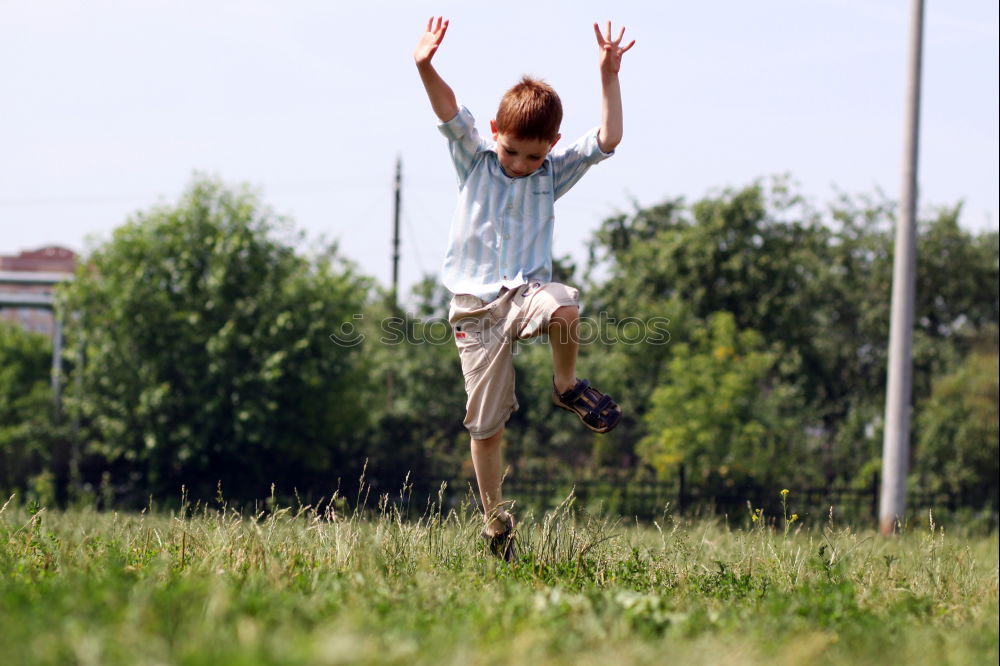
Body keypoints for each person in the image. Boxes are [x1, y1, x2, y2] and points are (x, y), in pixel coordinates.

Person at [413, 17, 635, 561]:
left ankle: (566, 387)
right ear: (495, 132)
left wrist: (608, 76)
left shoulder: (550, 174)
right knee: (485, 427)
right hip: (474, 308)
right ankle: (495, 523)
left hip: (525, 292)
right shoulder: (476, 160)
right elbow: (447, 111)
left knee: (564, 304)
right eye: (513, 151)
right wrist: (425, 65)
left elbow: (607, 140)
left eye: (533, 156)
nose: (520, 165)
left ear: (551, 146)